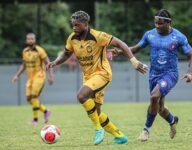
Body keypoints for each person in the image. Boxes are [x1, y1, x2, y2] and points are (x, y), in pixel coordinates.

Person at [47, 10, 148, 145]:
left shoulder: (98, 36)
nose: (74, 27)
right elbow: (66, 53)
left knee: (81, 96)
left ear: (85, 24)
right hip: (88, 77)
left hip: (102, 74)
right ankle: (119, 136)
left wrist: (134, 61)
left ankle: (98, 129)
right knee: (96, 112)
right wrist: (55, 62)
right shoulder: (72, 38)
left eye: (77, 25)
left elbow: (121, 44)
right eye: (73, 25)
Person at [114, 9, 192, 141]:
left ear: (169, 23)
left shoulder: (179, 37)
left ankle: (146, 130)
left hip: (170, 74)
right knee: (159, 107)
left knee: (154, 97)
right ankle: (172, 121)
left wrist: (189, 73)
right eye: (155, 23)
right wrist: (121, 51)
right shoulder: (149, 35)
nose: (157, 26)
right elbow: (135, 49)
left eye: (160, 23)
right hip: (154, 74)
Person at [12, 33, 54, 125]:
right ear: (26, 40)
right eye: (29, 39)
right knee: (29, 99)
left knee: (34, 97)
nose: (30, 40)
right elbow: (24, 66)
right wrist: (17, 76)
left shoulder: (40, 50)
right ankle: (46, 111)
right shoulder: (25, 51)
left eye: (32, 39)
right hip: (30, 78)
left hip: (39, 76)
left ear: (35, 40)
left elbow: (48, 63)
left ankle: (35, 120)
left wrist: (50, 76)